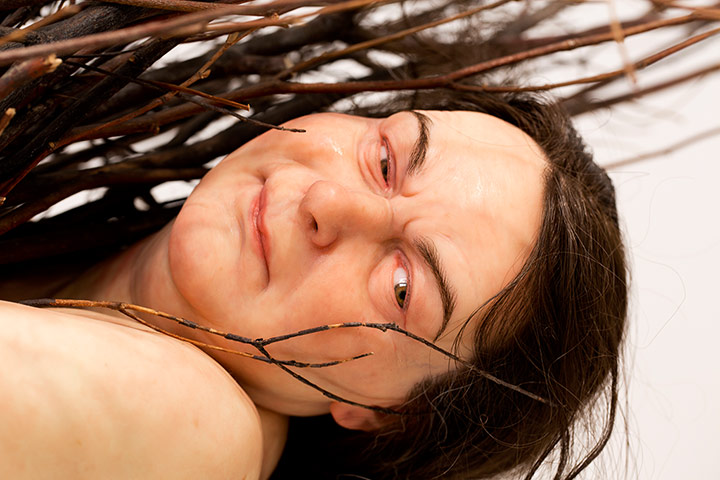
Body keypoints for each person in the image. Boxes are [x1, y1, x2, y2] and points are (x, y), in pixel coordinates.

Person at [0, 91, 627, 480]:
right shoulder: (70, 234)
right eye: (385, 161)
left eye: (402, 284)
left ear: (388, 415)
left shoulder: (207, 429)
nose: (329, 202)